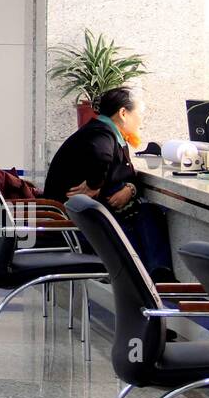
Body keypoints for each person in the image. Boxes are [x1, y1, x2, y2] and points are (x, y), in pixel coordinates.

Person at [43, 86, 176, 282]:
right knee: (147, 216)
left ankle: (157, 275)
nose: (142, 120)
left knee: (149, 214)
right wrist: (95, 184)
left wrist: (130, 189)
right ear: (123, 113)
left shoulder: (106, 132)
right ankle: (151, 279)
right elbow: (101, 155)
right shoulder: (101, 135)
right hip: (78, 227)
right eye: (140, 114)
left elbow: (125, 173)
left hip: (92, 220)